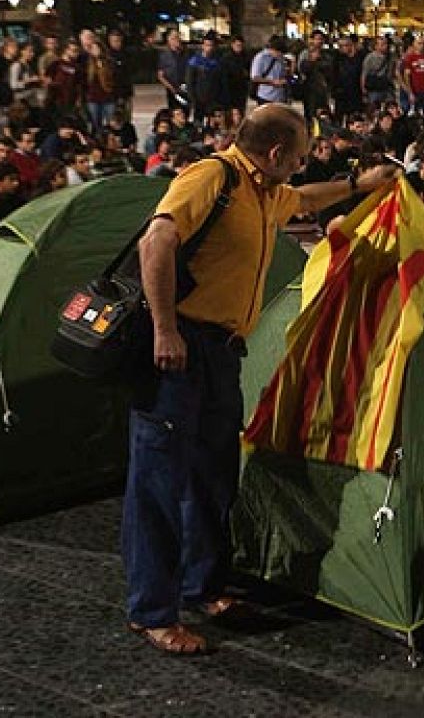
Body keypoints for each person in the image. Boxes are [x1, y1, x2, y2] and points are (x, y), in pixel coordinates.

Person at [126, 103, 398, 655]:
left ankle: (203, 586)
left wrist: (356, 183)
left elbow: (307, 198)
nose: (300, 166)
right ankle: (152, 610)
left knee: (212, 475)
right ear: (275, 153)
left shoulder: (267, 192)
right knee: (159, 481)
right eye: (298, 157)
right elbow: (155, 242)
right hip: (181, 350)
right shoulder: (212, 176)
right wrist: (165, 329)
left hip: (223, 353)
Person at [156, 30, 190, 112]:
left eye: (178, 37)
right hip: (172, 91)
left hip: (185, 89)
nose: (177, 40)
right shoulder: (164, 56)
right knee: (174, 112)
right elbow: (160, 75)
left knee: (185, 111)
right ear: (169, 40)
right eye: (174, 38)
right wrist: (170, 87)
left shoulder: (186, 54)